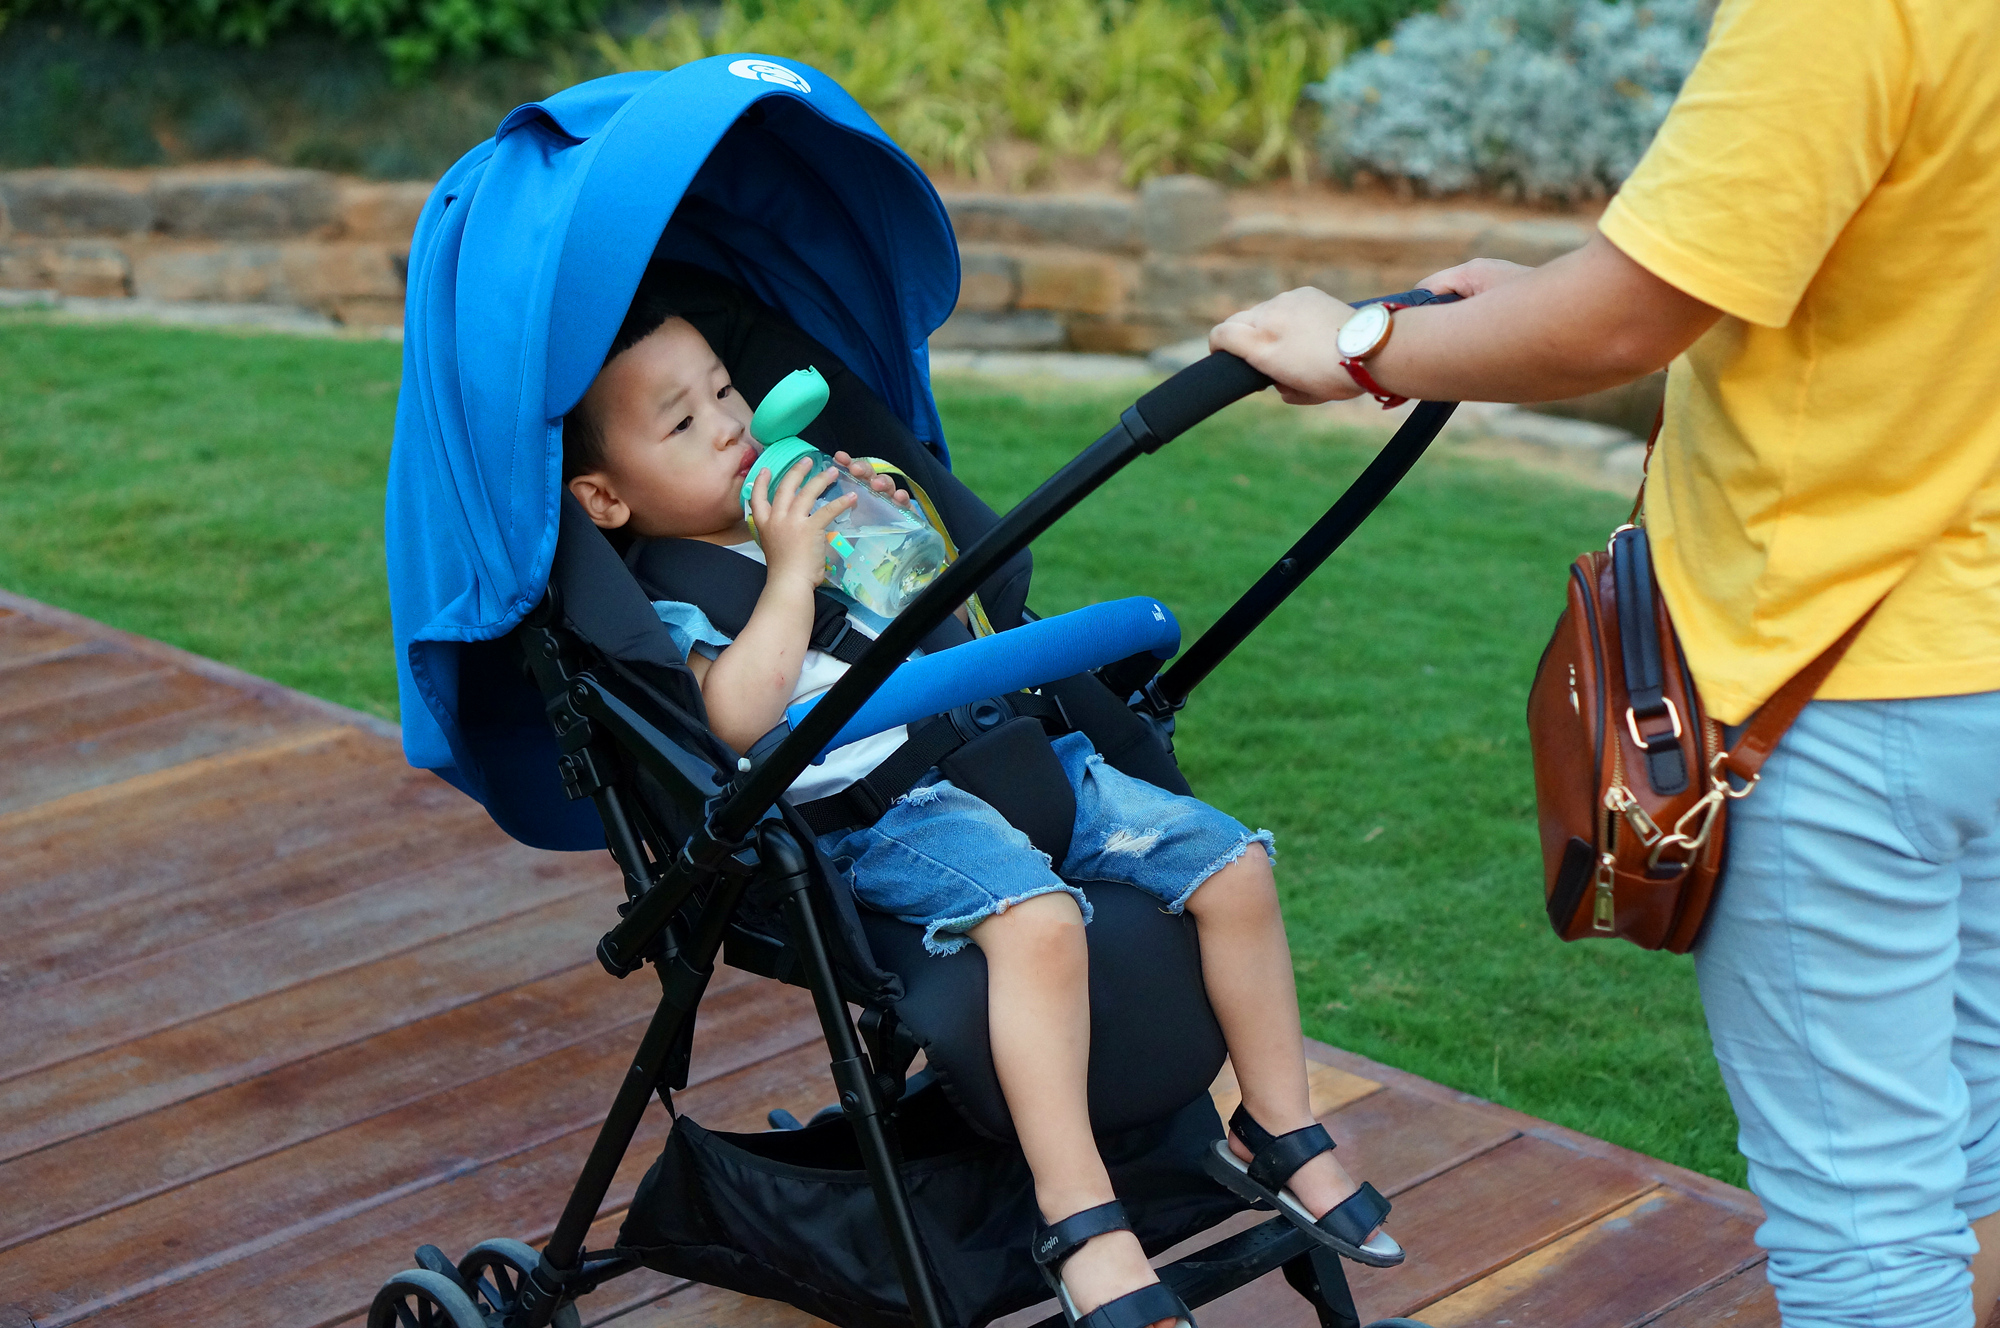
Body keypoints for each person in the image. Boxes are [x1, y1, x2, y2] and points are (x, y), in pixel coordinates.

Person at [1208, 3, 2000, 1325]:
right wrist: (1545, 299)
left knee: (1867, 1232)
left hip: (1836, 685)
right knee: (1974, 1165)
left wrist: (1360, 347)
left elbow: (1625, 324)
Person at [558, 303, 1403, 1328]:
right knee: (1038, 922)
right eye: (682, 422)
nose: (730, 422)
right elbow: (738, 716)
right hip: (885, 812)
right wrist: (789, 571)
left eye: (726, 391)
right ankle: (1079, 1218)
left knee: (1232, 864)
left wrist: (882, 524)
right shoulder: (676, 596)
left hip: (1009, 756)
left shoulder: (821, 501)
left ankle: (1277, 1126)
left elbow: (947, 612)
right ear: (606, 498)